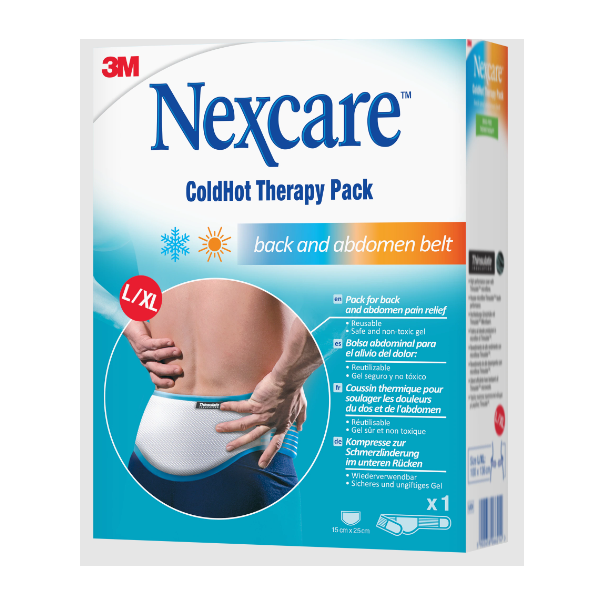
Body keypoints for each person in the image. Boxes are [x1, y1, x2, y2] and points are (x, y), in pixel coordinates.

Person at [123, 279, 323, 518]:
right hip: (246, 449)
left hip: (151, 445)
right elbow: (339, 303)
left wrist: (126, 322)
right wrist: (286, 380)